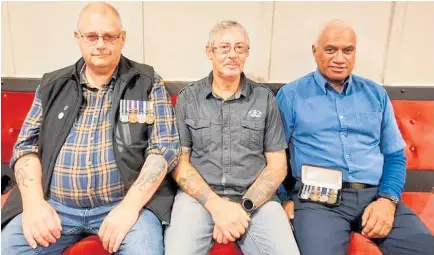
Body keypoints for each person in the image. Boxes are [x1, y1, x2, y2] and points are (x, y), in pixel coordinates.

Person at [1, 3, 180, 255]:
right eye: (91, 36)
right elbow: (25, 148)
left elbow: (164, 149)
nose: (100, 44)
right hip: (54, 205)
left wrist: (129, 208)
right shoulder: (52, 85)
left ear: (123, 38)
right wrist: (34, 204)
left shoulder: (146, 82)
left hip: (124, 205)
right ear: (78, 38)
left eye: (109, 36)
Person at [276, 19, 434, 255]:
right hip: (318, 201)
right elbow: (273, 154)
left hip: (374, 194)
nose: (339, 58)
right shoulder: (291, 95)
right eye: (331, 50)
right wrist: (283, 199)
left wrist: (388, 200)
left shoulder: (375, 94)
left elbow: (394, 156)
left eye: (347, 50)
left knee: (425, 248)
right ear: (315, 51)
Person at [164, 20, 300, 255]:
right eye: (224, 48)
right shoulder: (188, 99)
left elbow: (277, 166)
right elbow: (180, 165)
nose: (232, 55)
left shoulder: (264, 99)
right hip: (198, 199)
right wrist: (217, 207)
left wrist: (242, 210)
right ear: (210, 52)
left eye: (240, 48)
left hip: (256, 199)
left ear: (247, 53)